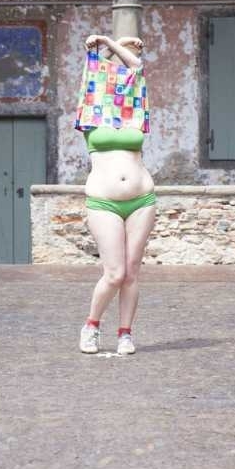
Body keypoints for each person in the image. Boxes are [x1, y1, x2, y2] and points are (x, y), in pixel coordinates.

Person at [74, 34, 155, 355]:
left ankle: (125, 333)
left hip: (142, 198)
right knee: (114, 273)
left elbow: (136, 66)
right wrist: (108, 43)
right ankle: (91, 326)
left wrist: (121, 46)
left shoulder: (135, 110)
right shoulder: (91, 112)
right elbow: (94, 71)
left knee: (132, 273)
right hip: (104, 201)